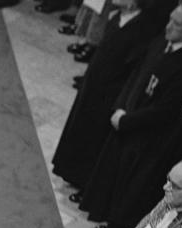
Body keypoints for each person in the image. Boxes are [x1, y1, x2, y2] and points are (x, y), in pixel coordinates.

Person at [80, 1, 182, 228]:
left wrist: (127, 120)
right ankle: (111, 225)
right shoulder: (162, 42)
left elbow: (167, 110)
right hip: (129, 127)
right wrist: (121, 109)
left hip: (152, 143)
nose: (169, 26)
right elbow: (137, 76)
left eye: (177, 23)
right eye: (170, 19)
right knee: (118, 184)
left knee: (135, 195)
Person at [53, 0, 160, 192]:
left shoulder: (143, 28)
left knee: (95, 137)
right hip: (94, 83)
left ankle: (83, 182)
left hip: (112, 91)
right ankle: (69, 170)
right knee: (81, 126)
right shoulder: (116, 17)